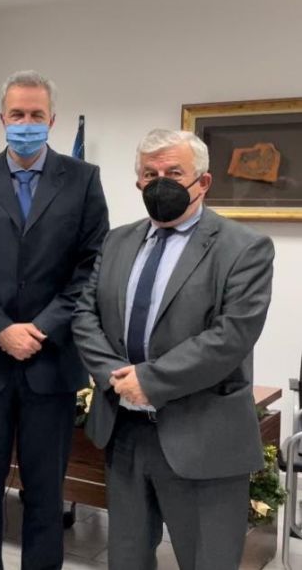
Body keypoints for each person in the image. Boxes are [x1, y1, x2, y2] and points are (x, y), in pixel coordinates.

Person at [72, 129, 274, 570]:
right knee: (126, 559)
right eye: (151, 174)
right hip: (124, 431)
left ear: (203, 182)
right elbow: (85, 315)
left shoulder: (244, 248)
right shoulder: (117, 241)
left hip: (203, 434)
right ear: (138, 182)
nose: (160, 182)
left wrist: (149, 381)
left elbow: (231, 336)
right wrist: (114, 377)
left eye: (174, 173)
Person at [0, 70, 109, 569]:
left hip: (51, 361)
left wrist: (41, 328)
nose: (26, 123)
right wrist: (0, 328)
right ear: (2, 118)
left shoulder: (83, 179)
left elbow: (92, 263)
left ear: (52, 120)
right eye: (17, 114)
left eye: (36, 115)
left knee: (45, 489)